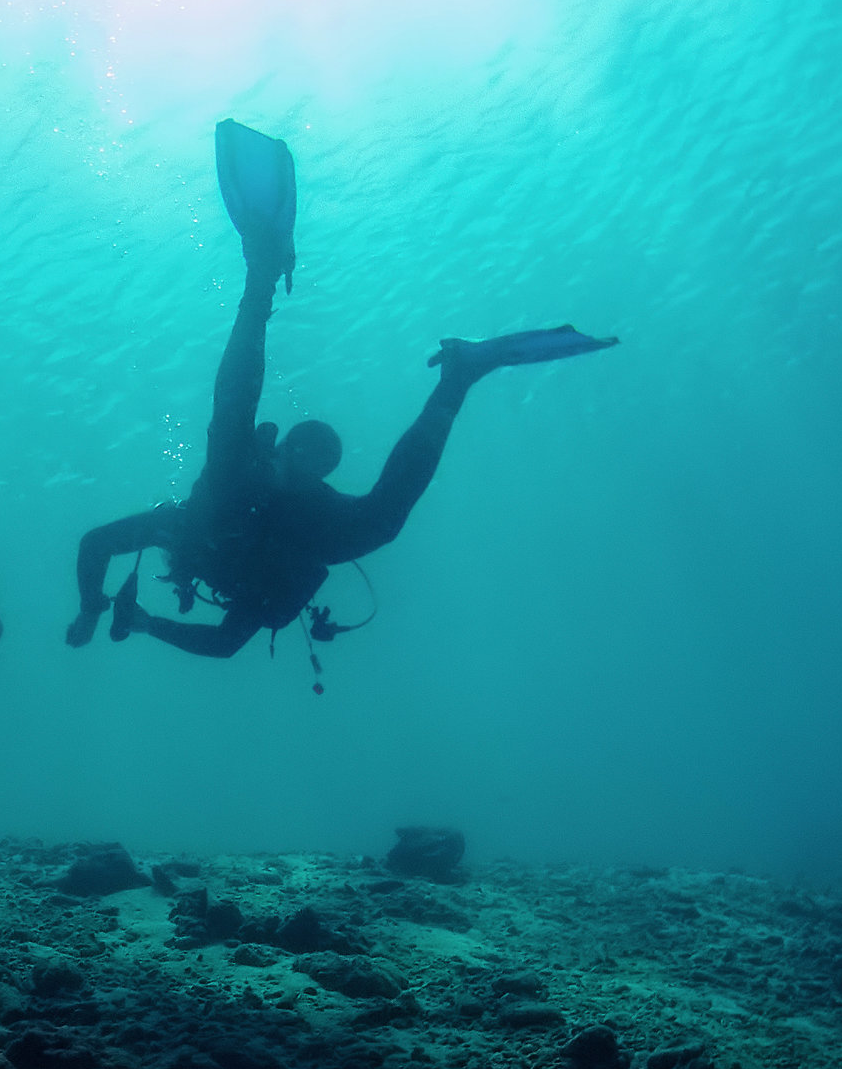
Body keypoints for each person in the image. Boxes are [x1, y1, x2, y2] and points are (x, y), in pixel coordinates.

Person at [65, 119, 616, 662]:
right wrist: (114, 614)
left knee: (235, 433)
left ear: (314, 475)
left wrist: (113, 614)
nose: (306, 468)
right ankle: (457, 374)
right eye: (303, 457)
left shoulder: (276, 527)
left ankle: (269, 278)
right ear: (284, 453)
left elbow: (213, 633)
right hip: (248, 507)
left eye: (316, 465)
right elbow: (209, 631)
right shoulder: (198, 523)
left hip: (258, 506)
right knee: (319, 491)